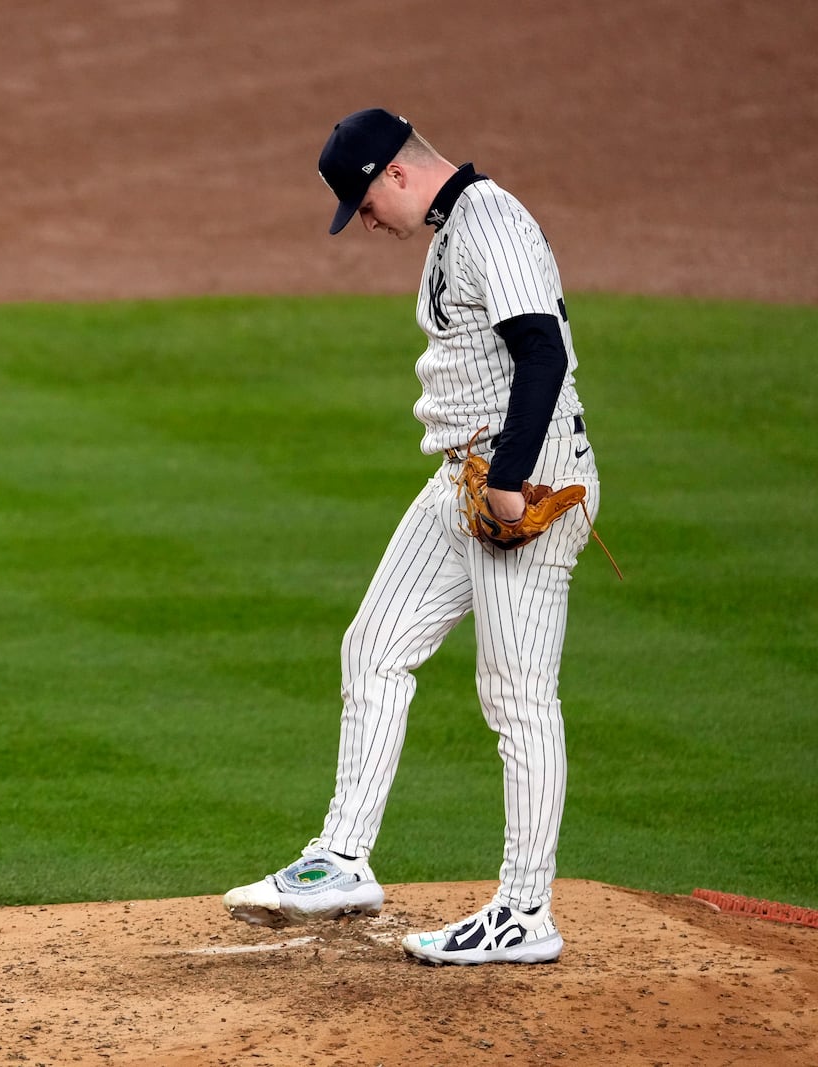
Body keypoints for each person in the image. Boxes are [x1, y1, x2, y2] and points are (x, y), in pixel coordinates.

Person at [222, 109, 603, 965]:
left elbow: (541, 354)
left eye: (362, 202)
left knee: (516, 697)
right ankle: (343, 858)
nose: (364, 222)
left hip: (523, 484)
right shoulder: (450, 231)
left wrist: (507, 483)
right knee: (375, 645)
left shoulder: (493, 221)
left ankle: (525, 909)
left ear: (395, 172)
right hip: (463, 483)